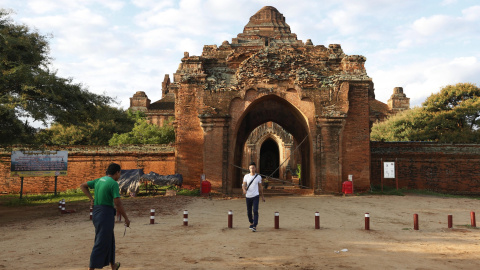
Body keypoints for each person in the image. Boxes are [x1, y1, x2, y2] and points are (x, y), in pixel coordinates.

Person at [80, 163, 130, 270]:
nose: (120, 175)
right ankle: (91, 268)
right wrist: (126, 218)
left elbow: (82, 186)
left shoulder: (99, 180)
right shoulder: (113, 183)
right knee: (101, 241)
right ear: (117, 172)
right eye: (120, 173)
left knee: (109, 239)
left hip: (97, 213)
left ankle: (113, 265)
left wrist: (91, 199)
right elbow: (118, 203)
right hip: (105, 214)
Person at [242, 162, 265, 232]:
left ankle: (254, 225)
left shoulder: (258, 177)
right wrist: (243, 189)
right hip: (248, 196)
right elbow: (244, 185)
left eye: (253, 168)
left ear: (255, 168)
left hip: (255, 196)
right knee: (249, 212)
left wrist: (262, 196)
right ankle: (251, 222)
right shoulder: (246, 176)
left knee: (255, 210)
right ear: (249, 169)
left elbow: (261, 187)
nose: (252, 169)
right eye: (251, 168)